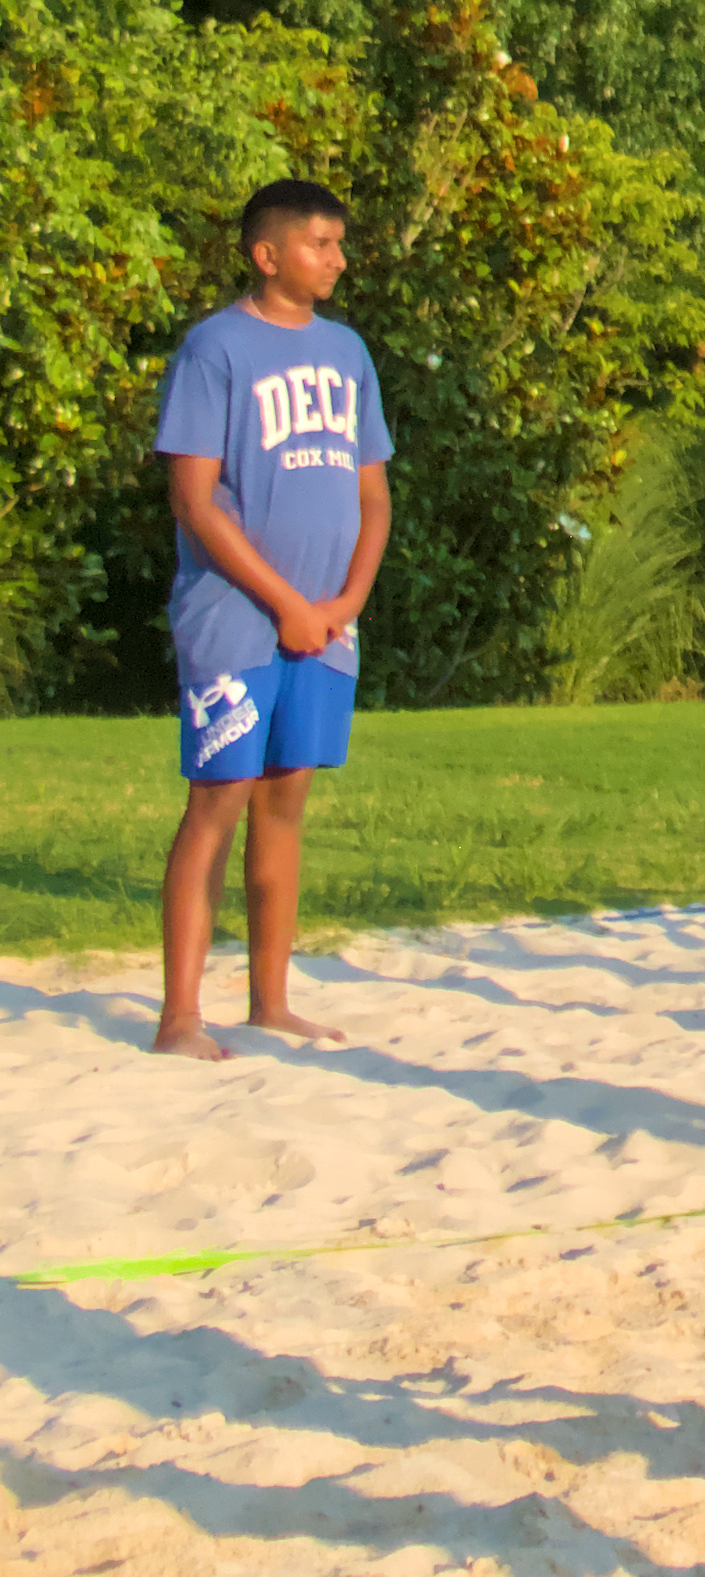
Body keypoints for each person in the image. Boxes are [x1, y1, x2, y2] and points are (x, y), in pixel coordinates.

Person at [147, 178, 392, 1058]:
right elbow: (195, 500)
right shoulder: (215, 349)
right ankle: (180, 1016)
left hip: (327, 624)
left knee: (285, 802)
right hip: (237, 620)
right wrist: (285, 604)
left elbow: (374, 495)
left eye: (337, 244)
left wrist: (343, 604)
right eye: (320, 243)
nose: (335, 258)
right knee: (218, 802)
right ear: (267, 253)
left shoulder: (349, 352)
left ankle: (271, 1000)